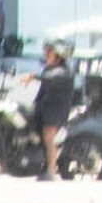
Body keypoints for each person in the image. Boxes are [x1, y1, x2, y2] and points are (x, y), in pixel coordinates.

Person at [27, 41, 75, 180]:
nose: (46, 54)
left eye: (49, 52)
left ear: (58, 56)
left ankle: (51, 171)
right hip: (45, 108)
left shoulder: (63, 71)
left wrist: (33, 77)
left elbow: (49, 78)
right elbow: (42, 91)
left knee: (48, 136)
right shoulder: (49, 68)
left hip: (56, 109)